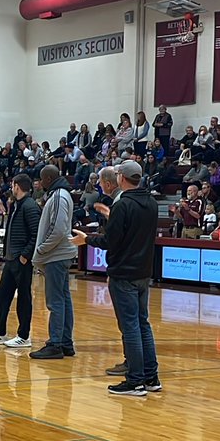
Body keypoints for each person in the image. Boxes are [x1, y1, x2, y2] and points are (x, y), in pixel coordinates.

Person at [72, 160, 160, 397]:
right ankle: (151, 377)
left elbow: (111, 241)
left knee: (130, 326)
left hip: (124, 272)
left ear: (121, 178)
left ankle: (135, 381)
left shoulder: (124, 206)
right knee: (143, 324)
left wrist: (86, 240)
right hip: (143, 271)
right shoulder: (151, 203)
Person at [0, 173, 40, 349]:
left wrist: (25, 255)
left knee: (24, 298)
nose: (11, 188)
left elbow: (36, 234)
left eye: (13, 185)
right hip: (11, 259)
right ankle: (0, 332)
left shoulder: (29, 206)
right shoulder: (17, 205)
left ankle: (24, 336)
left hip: (21, 260)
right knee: (2, 295)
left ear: (17, 186)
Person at [31, 165, 77, 359]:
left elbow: (58, 230)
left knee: (55, 301)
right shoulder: (60, 194)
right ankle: (66, 343)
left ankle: (55, 344)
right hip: (59, 255)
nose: (40, 183)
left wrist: (41, 248)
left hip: (56, 256)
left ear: (48, 178)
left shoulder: (58, 196)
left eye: (42, 179)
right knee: (64, 299)